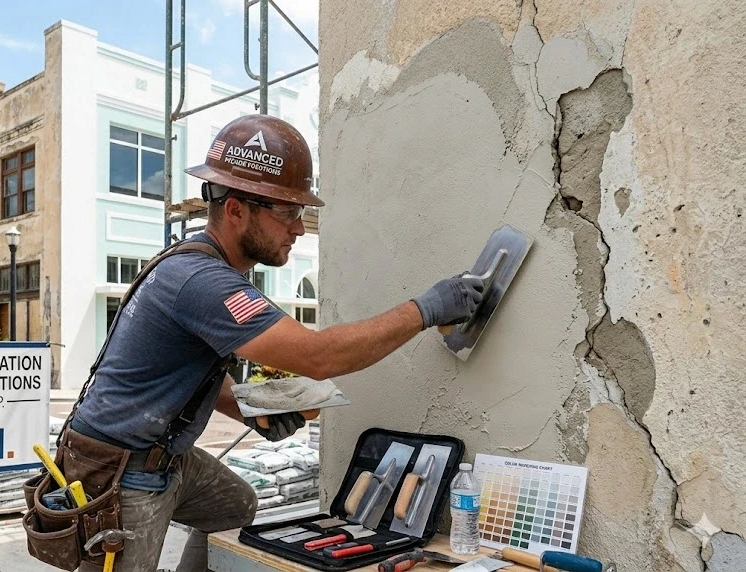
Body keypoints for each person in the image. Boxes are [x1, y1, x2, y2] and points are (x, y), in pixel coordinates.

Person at [64, 114, 483, 571]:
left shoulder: (203, 269)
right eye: (287, 212)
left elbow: (181, 377)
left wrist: (249, 408)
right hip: (121, 471)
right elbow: (318, 355)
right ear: (236, 210)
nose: (299, 228)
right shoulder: (201, 281)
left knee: (231, 505)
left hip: (160, 455)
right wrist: (426, 309)